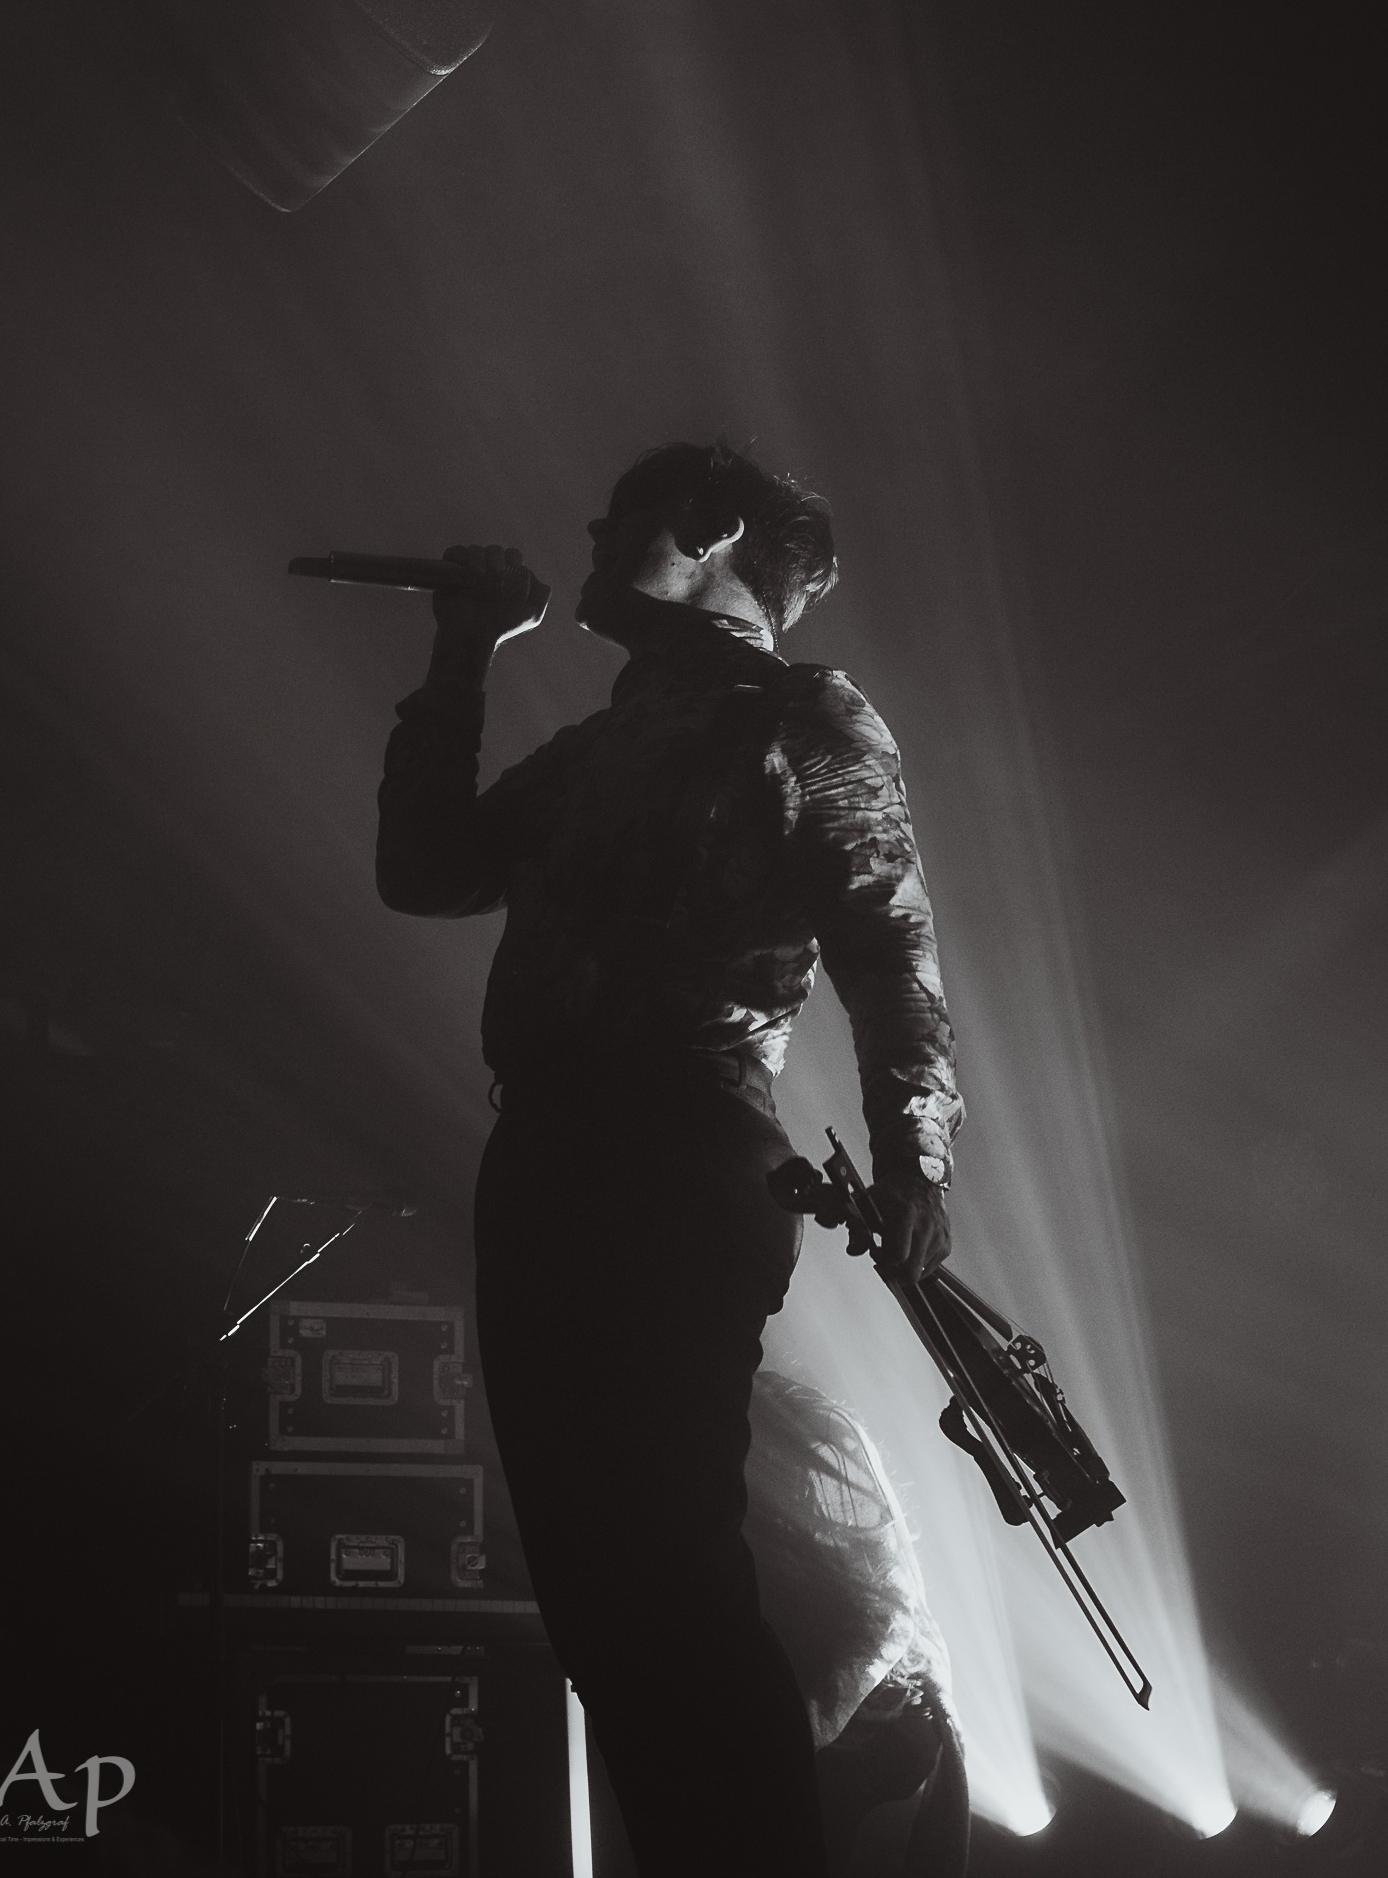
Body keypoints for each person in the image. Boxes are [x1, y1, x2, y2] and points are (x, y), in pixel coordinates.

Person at [375, 441, 964, 1877]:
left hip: (677, 1152)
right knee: (601, 1604)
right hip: (550, 1154)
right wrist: (460, 657)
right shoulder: (605, 745)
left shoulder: (804, 716)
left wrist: (916, 1156)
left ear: (709, 531)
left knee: (668, 1585)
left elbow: (888, 940)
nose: (590, 530)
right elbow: (426, 871)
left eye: (622, 514)